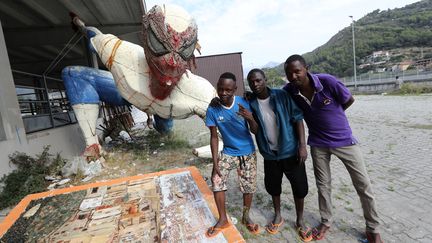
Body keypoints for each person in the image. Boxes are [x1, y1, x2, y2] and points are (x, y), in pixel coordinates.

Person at [283, 54, 382, 243]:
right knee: (323, 186)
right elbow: (271, 94)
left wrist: (335, 116)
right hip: (318, 144)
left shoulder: (327, 82)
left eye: (297, 71)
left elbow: (348, 99)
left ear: (306, 69)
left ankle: (373, 229)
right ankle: (326, 221)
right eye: (289, 73)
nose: (294, 76)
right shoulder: (290, 91)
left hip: (344, 141)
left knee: (363, 185)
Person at [247, 69, 312, 242]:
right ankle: (278, 215)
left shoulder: (281, 96)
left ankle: (300, 219)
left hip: (290, 151)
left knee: (299, 187)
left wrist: (302, 146)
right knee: (273, 186)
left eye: (259, 80)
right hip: (270, 155)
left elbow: (298, 118)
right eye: (252, 81)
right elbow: (254, 129)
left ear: (265, 80)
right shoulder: (251, 102)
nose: (255, 84)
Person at [205, 72, 260, 238]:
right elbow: (214, 137)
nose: (223, 93)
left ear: (235, 89)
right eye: (220, 89)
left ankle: (245, 216)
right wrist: (215, 163)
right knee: (216, 180)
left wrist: (250, 118)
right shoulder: (213, 108)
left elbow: (255, 131)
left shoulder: (243, 103)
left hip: (248, 152)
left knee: (248, 186)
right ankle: (222, 219)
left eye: (228, 90)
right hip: (228, 152)